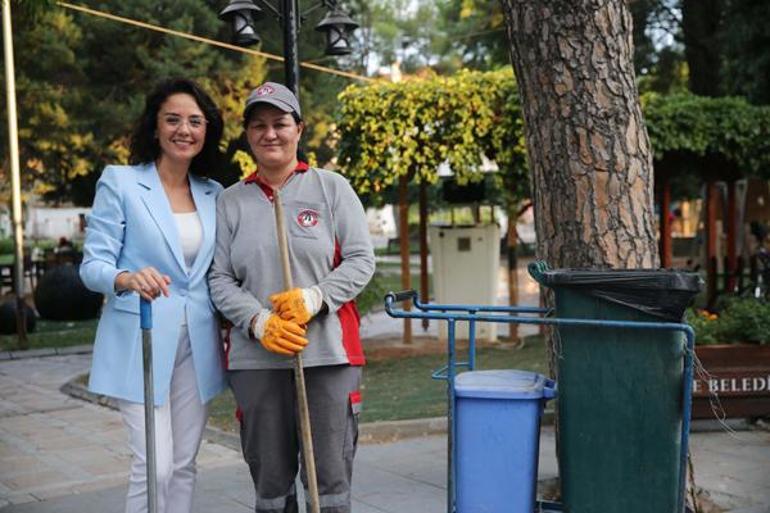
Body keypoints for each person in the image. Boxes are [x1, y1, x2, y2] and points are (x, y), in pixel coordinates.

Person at [208, 82, 375, 513]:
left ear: (298, 129)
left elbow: (360, 260)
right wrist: (259, 321)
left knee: (330, 482)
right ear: (248, 135)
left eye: (280, 123)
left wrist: (316, 297)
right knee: (270, 481)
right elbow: (219, 279)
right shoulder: (230, 202)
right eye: (259, 125)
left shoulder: (331, 188)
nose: (270, 134)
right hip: (255, 360)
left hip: (327, 354)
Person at [80, 78, 227, 513]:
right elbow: (92, 267)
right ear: (155, 127)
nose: (185, 129)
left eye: (195, 121)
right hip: (139, 340)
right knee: (154, 465)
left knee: (183, 464)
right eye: (174, 119)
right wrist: (126, 278)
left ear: (207, 131)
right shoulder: (122, 182)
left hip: (197, 345)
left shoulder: (213, 193)